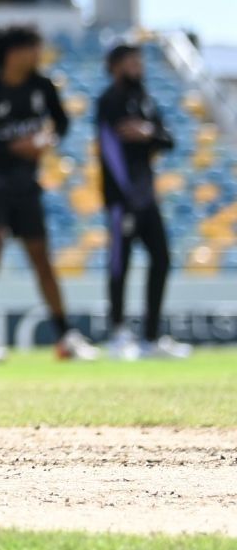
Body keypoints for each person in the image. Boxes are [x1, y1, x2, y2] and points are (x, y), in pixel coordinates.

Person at [0, 24, 98, 363]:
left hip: (26, 187)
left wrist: (46, 140)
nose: (39, 54)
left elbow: (61, 123)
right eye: (33, 47)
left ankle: (65, 337)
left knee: (41, 259)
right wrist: (16, 148)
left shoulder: (43, 86)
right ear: (13, 52)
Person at [96, 43, 192, 360]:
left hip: (146, 197)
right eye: (131, 62)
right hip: (123, 199)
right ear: (115, 66)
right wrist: (123, 195)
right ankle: (119, 333)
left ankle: (151, 336)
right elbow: (109, 151)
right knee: (120, 264)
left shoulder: (145, 101)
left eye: (139, 62)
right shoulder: (109, 101)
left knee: (161, 258)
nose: (138, 67)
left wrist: (147, 132)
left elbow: (168, 138)